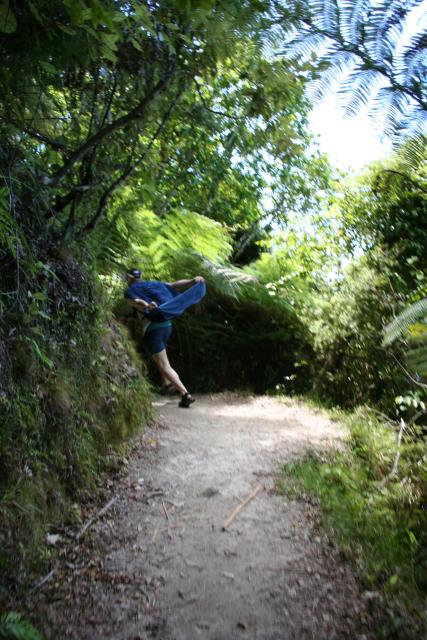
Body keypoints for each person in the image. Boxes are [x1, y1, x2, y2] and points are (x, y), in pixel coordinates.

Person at [124, 268, 205, 408]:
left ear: (128, 278)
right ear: (140, 276)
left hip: (153, 329)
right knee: (159, 358)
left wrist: (147, 306)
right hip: (167, 326)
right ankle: (167, 384)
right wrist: (192, 281)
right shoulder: (153, 284)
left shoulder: (130, 292)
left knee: (163, 364)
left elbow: (137, 302)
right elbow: (174, 285)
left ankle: (185, 394)